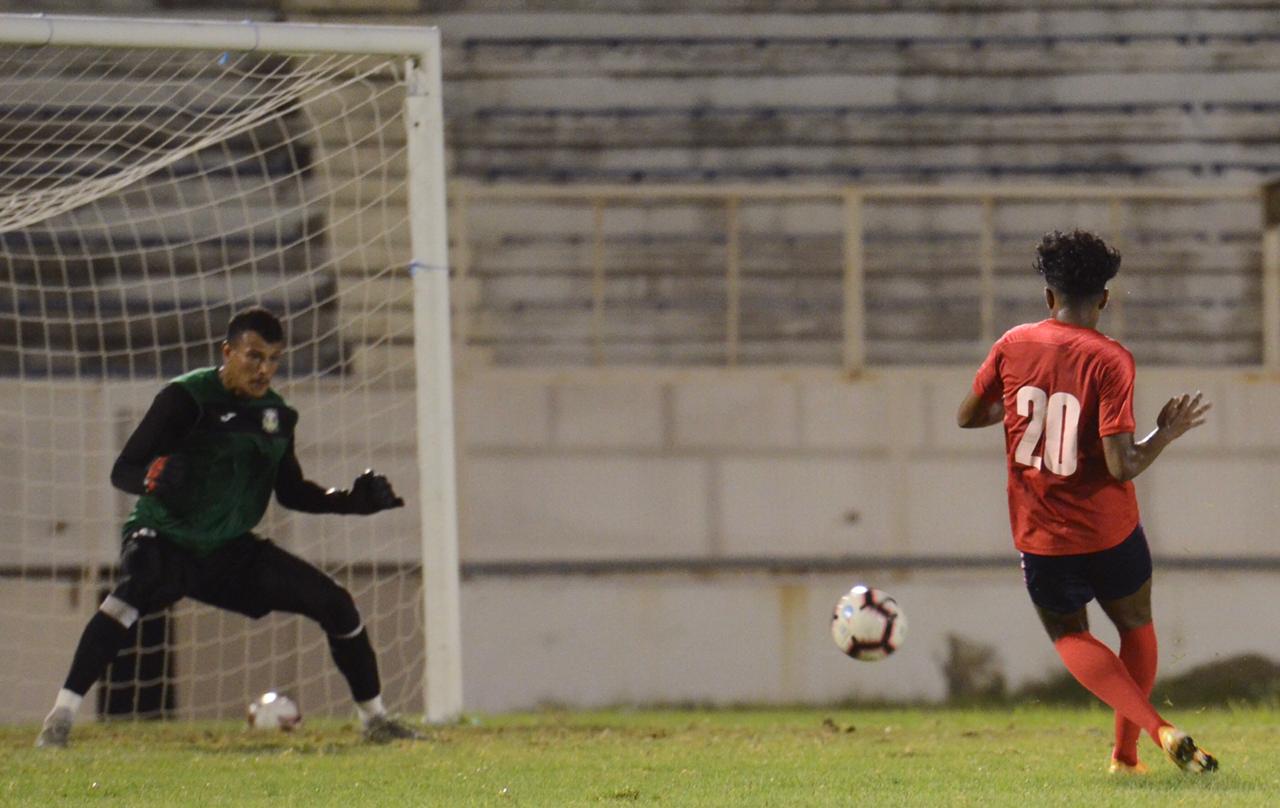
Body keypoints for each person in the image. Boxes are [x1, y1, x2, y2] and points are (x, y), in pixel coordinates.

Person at [37, 307, 421, 747]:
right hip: (166, 538)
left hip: (229, 551)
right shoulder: (186, 399)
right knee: (128, 596)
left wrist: (352, 502)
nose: (264, 369)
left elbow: (292, 493)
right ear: (227, 352)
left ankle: (377, 721)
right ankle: (60, 718)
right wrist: (151, 478)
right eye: (253, 356)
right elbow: (123, 470)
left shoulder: (278, 417)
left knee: (336, 604)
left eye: (274, 359)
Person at [956, 230, 1217, 775]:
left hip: (1041, 532)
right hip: (1111, 527)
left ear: (1048, 296)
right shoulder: (1111, 359)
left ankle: (1157, 729)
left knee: (1071, 634)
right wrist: (1164, 434)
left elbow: (969, 415)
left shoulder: (1013, 344)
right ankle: (1126, 755)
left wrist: (1021, 408)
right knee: (1136, 625)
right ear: (1104, 298)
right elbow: (1122, 464)